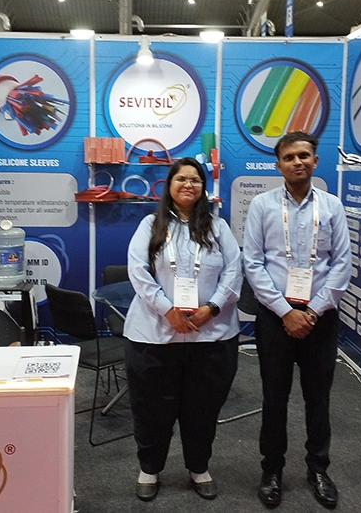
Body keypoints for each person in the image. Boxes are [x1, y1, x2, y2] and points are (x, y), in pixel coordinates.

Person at [242, 132, 352, 510]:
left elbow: (341, 264)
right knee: (274, 398)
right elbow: (253, 263)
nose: (297, 162)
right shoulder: (262, 205)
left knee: (317, 398)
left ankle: (318, 469)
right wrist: (285, 311)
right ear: (279, 165)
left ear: (315, 161)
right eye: (289, 157)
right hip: (276, 317)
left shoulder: (333, 206)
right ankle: (271, 470)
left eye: (304, 155)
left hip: (320, 317)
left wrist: (313, 311)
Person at [123, 156, 242, 502]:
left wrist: (212, 307)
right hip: (155, 335)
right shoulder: (150, 225)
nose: (188, 185)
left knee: (203, 408)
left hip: (211, 335)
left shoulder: (218, 227)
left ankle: (199, 467)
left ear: (203, 188)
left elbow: (234, 270)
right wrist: (167, 309)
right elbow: (138, 271)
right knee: (151, 408)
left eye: (195, 180)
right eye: (181, 179)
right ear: (169, 185)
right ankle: (149, 468)